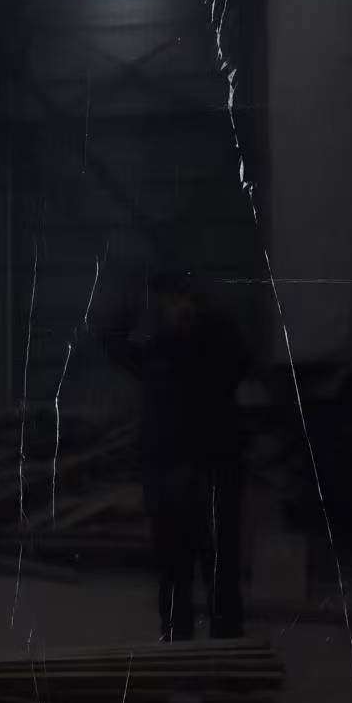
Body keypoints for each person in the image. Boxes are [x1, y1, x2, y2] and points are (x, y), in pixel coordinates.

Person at [102, 272, 250, 641]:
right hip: (172, 479)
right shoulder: (157, 353)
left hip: (212, 475)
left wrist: (199, 310)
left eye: (182, 302)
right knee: (174, 574)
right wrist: (139, 301)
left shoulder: (216, 348)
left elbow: (239, 351)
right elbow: (109, 336)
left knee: (219, 573)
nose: (178, 310)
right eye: (169, 303)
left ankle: (224, 651)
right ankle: (179, 649)